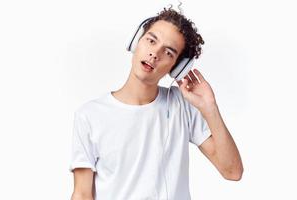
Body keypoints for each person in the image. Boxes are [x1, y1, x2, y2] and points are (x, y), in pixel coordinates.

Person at [69, 6, 243, 200]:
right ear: (136, 42)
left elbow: (232, 171)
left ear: (176, 68)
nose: (155, 54)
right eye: (151, 41)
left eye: (168, 52)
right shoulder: (90, 115)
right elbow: (82, 194)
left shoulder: (181, 105)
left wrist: (210, 108)